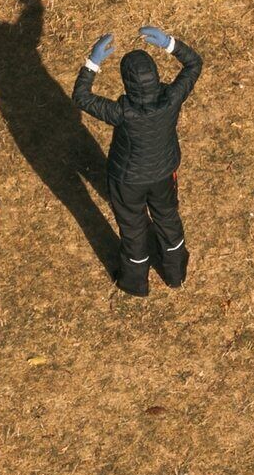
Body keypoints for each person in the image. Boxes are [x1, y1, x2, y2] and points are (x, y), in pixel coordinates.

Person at [71, 23, 203, 295]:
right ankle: (176, 274)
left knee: (133, 229)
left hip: (127, 181)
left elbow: (81, 97)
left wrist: (93, 63)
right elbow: (194, 64)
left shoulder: (120, 112)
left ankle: (135, 283)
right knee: (168, 218)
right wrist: (169, 44)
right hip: (164, 174)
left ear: (127, 83)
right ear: (155, 75)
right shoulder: (172, 98)